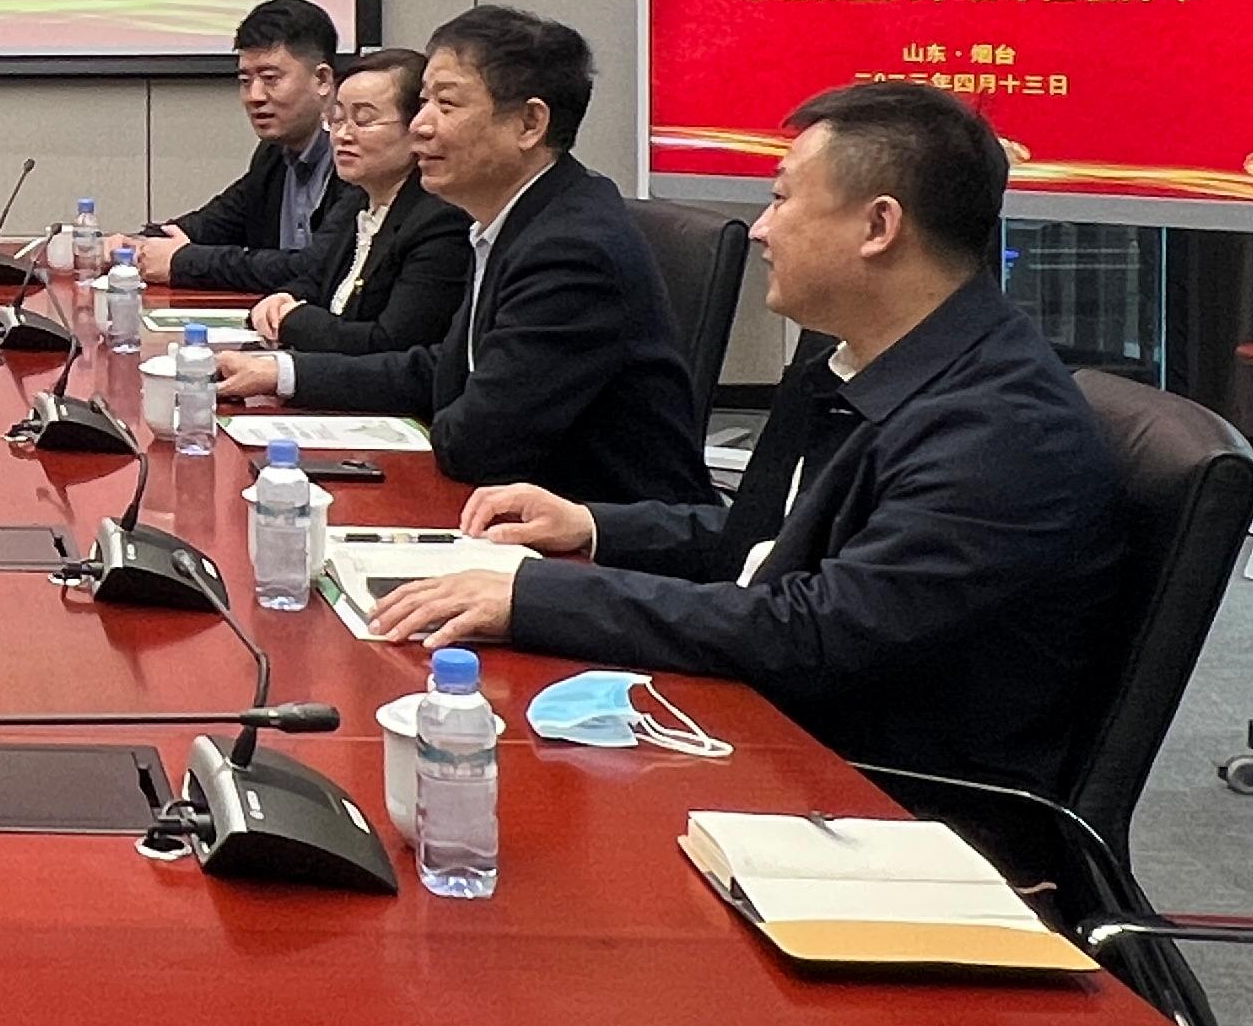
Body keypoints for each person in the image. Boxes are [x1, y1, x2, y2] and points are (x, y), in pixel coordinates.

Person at [364, 79, 1125, 789]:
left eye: (782, 198)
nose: (762, 228)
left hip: (877, 792)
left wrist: (536, 598)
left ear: (879, 226)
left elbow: (815, 633)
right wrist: (592, 527)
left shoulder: (1001, 429)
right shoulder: (858, 357)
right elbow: (766, 546)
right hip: (777, 730)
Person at [209, 6, 706, 515]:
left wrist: (432, 405)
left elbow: (478, 441)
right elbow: (444, 370)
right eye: (423, 101)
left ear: (530, 123)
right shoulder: (516, 218)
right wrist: (284, 372)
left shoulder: (570, 249)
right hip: (506, 509)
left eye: (446, 105)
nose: (420, 126)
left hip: (587, 533)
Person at [241, 46, 473, 360]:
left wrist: (294, 322)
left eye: (363, 120)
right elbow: (318, 280)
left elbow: (390, 344)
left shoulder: (439, 220)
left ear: (415, 128)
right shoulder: (358, 201)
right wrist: (284, 299)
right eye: (337, 120)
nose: (343, 135)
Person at [135, 0, 346, 291]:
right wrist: (135, 246)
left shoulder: (354, 157)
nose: (254, 96)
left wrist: (182, 261)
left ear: (322, 79)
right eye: (245, 81)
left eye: (270, 78)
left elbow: (315, 268)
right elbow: (211, 225)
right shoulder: (273, 155)